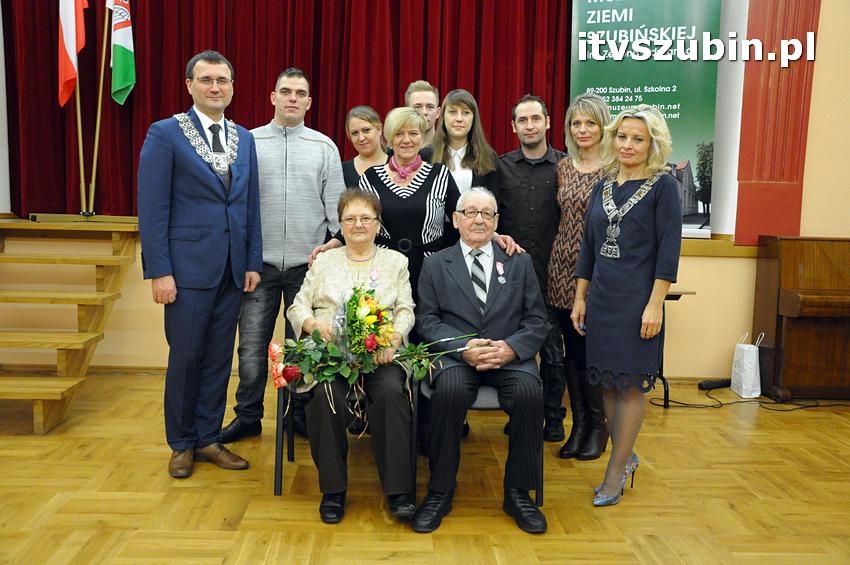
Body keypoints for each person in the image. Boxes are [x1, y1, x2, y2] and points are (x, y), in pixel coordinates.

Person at [137, 50, 262, 478]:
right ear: (189, 84)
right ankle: (181, 443)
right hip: (186, 271)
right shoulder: (165, 134)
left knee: (217, 359)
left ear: (232, 86)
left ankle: (209, 438)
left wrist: (251, 262)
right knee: (186, 357)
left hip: (231, 270)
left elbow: (249, 206)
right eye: (206, 80)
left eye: (223, 80)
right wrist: (159, 271)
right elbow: (152, 209)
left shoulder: (243, 138)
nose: (215, 87)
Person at [219, 68, 345, 445]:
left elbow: (336, 210)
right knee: (252, 348)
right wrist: (243, 258)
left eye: (300, 93)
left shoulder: (325, 147)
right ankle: (248, 416)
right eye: (285, 91)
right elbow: (235, 205)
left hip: (308, 270)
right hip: (259, 267)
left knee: (305, 348)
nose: (293, 98)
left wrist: (332, 247)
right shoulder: (247, 142)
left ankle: (299, 416)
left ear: (309, 102)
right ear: (272, 97)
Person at [413, 187, 548, 534]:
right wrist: (462, 347)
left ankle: (518, 493)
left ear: (496, 221)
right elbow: (427, 321)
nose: (478, 219)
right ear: (456, 220)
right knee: (450, 391)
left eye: (486, 213)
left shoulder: (518, 261)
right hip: (457, 357)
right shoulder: (434, 264)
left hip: (509, 355)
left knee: (529, 394)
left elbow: (536, 320)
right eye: (470, 212)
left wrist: (511, 349)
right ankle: (440, 491)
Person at [571, 104, 681, 506]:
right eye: (622, 136)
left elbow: (669, 252)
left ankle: (615, 470)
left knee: (631, 386)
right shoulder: (603, 185)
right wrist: (580, 296)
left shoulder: (663, 186)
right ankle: (625, 454)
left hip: (639, 302)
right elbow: (588, 246)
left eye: (638, 139)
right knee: (606, 382)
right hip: (602, 298)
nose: (628, 145)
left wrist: (656, 305)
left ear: (652, 144)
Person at [287, 189, 416, 524]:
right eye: (350, 219)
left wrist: (396, 337)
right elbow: (297, 306)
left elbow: (405, 310)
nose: (358, 224)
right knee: (325, 395)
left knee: (391, 394)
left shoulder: (395, 262)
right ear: (340, 225)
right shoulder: (324, 262)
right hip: (331, 355)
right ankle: (333, 490)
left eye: (366, 218)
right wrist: (313, 324)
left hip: (381, 354)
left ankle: (398, 491)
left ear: (377, 224)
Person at [498, 95, 568, 442]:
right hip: (512, 278)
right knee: (515, 349)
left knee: (554, 354)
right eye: (522, 120)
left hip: (555, 275)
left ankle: (554, 416)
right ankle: (522, 413)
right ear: (513, 127)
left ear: (548, 122)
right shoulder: (500, 168)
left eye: (535, 119)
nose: (529, 125)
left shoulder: (566, 166)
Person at [548, 93, 612, 461]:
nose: (583, 129)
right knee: (570, 352)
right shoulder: (563, 167)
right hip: (560, 268)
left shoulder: (615, 169)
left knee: (590, 351)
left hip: (597, 272)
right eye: (576, 123)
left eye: (590, 122)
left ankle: (599, 426)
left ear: (603, 125)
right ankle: (580, 424)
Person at [432, 88, 500, 197]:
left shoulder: (488, 158)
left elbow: (494, 203)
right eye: (452, 112)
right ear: (443, 116)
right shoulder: (426, 156)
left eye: (466, 113)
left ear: (474, 118)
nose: (459, 118)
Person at [341, 105, 388, 188]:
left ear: (379, 129)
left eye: (366, 130)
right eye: (355, 133)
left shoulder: (398, 164)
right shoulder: (342, 170)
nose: (361, 138)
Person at [405, 80, 440, 150]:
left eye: (430, 107)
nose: (424, 112)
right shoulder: (394, 151)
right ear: (407, 111)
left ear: (438, 113)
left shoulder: (448, 150)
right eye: (417, 107)